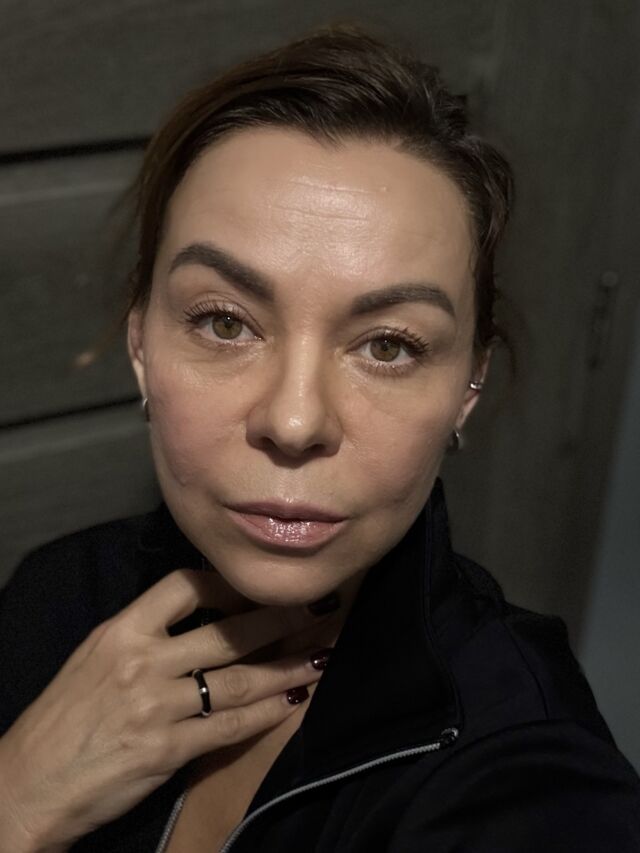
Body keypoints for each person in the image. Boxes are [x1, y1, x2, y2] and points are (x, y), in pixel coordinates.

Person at [1, 23, 639, 853]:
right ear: (140, 342)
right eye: (225, 321)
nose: (295, 421)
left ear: (467, 387)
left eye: (389, 345)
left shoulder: (522, 764)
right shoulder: (55, 598)